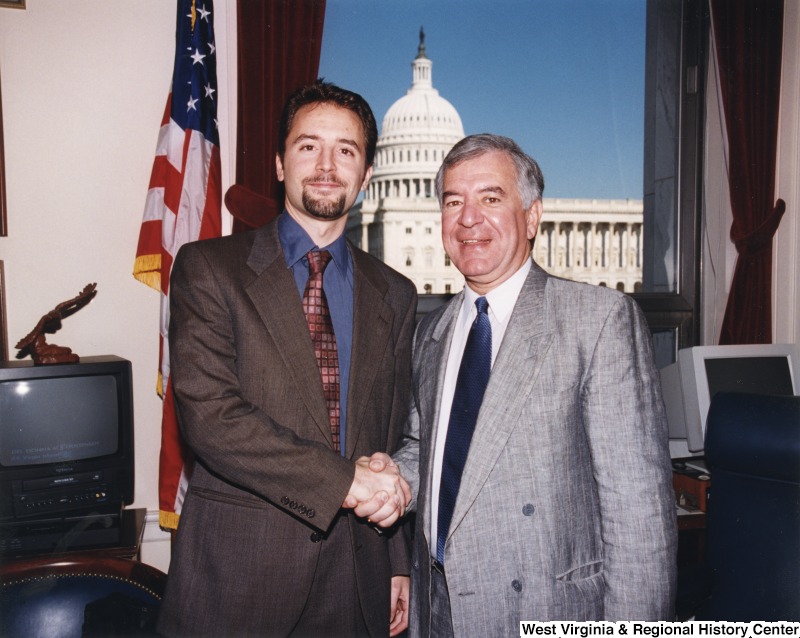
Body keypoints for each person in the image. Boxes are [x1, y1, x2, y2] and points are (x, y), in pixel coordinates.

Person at [361, 134, 678, 635]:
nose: (469, 219)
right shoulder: (432, 332)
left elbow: (639, 519)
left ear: (531, 217)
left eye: (490, 198)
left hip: (543, 611)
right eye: (453, 201)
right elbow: (430, 450)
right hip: (437, 609)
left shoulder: (598, 321)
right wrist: (391, 478)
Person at [157, 81, 416, 638]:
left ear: (367, 174)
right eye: (308, 146)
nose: (327, 165)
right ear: (279, 164)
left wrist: (396, 564)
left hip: (356, 580)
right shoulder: (209, 269)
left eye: (346, 150)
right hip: (241, 579)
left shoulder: (396, 293)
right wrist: (344, 481)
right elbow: (212, 418)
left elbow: (390, 435)